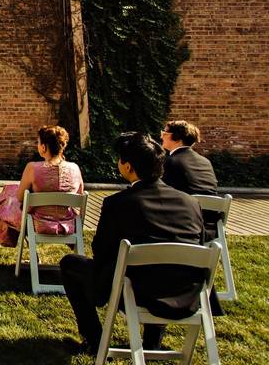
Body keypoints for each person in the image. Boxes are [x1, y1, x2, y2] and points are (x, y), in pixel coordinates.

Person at [59, 132, 206, 355]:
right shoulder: (191, 202)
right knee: (161, 268)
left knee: (71, 264)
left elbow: (101, 252)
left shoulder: (118, 204)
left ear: (128, 167)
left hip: (137, 292)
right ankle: (152, 342)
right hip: (186, 293)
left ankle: (95, 340)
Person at [0, 125, 83, 246]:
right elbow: (79, 194)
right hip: (69, 225)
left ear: (43, 147)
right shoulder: (75, 168)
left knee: (11, 197)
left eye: (38, 143)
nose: (37, 145)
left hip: (39, 225)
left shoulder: (32, 168)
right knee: (12, 195)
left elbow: (21, 198)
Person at [160, 119, 224, 315]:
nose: (162, 134)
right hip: (212, 225)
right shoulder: (204, 161)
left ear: (176, 138)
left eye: (165, 132)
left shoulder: (170, 162)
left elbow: (163, 194)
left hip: (187, 225)